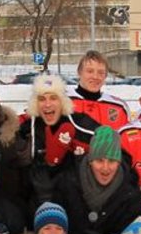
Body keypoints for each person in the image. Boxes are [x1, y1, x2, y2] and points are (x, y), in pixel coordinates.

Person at [53, 126, 141, 234]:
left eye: (112, 161)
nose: (105, 168)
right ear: (90, 160)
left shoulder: (130, 192)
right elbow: (53, 223)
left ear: (119, 162)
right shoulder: (68, 181)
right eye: (99, 161)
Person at [19, 74, 100, 206]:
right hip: (41, 206)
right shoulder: (27, 130)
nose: (47, 104)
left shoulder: (80, 124)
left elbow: (112, 146)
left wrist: (82, 156)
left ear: (63, 102)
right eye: (41, 99)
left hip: (79, 204)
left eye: (53, 98)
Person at [69, 50, 131, 130]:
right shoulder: (62, 101)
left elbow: (126, 139)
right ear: (79, 72)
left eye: (101, 73)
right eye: (90, 71)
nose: (95, 77)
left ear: (105, 76)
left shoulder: (119, 107)